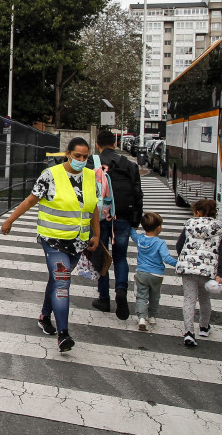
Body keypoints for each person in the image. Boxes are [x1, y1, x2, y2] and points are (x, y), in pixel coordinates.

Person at [2, 137, 100, 353]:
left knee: (56, 280)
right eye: (77, 156)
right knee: (63, 282)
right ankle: (63, 334)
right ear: (68, 153)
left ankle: (45, 316)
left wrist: (97, 234)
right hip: (53, 240)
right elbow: (30, 200)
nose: (81, 160)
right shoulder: (51, 175)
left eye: (85, 157)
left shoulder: (92, 177)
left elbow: (93, 207)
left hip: (78, 242)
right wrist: (10, 220)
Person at [87, 130, 143, 320]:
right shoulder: (129, 165)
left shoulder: (91, 163)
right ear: (115, 144)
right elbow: (137, 194)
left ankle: (104, 298)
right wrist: (135, 220)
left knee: (101, 256)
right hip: (123, 217)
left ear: (97, 144)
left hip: (99, 218)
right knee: (120, 257)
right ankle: (121, 290)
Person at [175, 199, 222, 347]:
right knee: (205, 299)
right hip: (207, 270)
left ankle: (189, 332)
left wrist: (184, 259)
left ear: (198, 212)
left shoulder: (190, 224)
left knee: (189, 300)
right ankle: (204, 327)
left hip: (188, 269)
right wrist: (221, 273)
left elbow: (179, 245)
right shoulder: (219, 228)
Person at [130, 212, 177, 331]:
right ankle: (152, 316)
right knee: (155, 296)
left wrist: (131, 225)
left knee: (141, 296)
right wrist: (179, 264)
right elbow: (166, 258)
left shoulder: (140, 239)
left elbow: (132, 233)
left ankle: (141, 318)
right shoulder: (160, 243)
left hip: (142, 273)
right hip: (156, 275)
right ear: (159, 228)